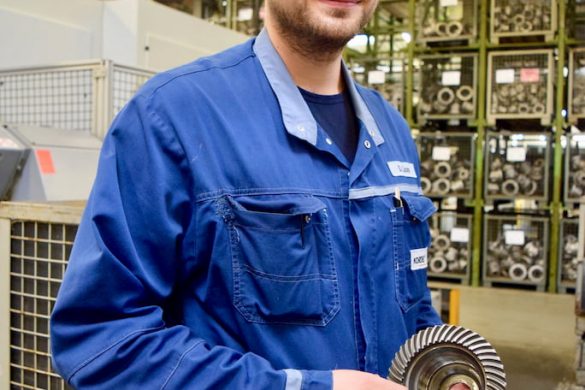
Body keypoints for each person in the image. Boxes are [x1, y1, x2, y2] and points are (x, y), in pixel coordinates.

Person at [50, 0, 443, 388]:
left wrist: (443, 369)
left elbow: (412, 308)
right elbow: (103, 338)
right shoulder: (171, 115)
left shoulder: (391, 129)